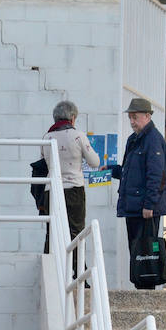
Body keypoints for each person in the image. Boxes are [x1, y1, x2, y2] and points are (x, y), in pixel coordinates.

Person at [109, 97, 166, 284]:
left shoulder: (153, 140)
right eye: (130, 118)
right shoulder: (134, 140)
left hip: (145, 208)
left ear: (147, 116)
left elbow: (157, 175)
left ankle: (147, 288)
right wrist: (112, 170)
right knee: (137, 250)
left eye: (135, 117)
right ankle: (142, 286)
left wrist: (149, 204)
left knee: (146, 252)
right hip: (134, 206)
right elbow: (131, 172)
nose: (132, 122)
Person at [42, 100, 99, 255]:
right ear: (72, 118)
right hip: (74, 190)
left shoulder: (46, 137)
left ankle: (52, 268)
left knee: (52, 232)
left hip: (51, 190)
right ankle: (77, 272)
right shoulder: (78, 136)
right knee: (76, 233)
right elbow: (95, 162)